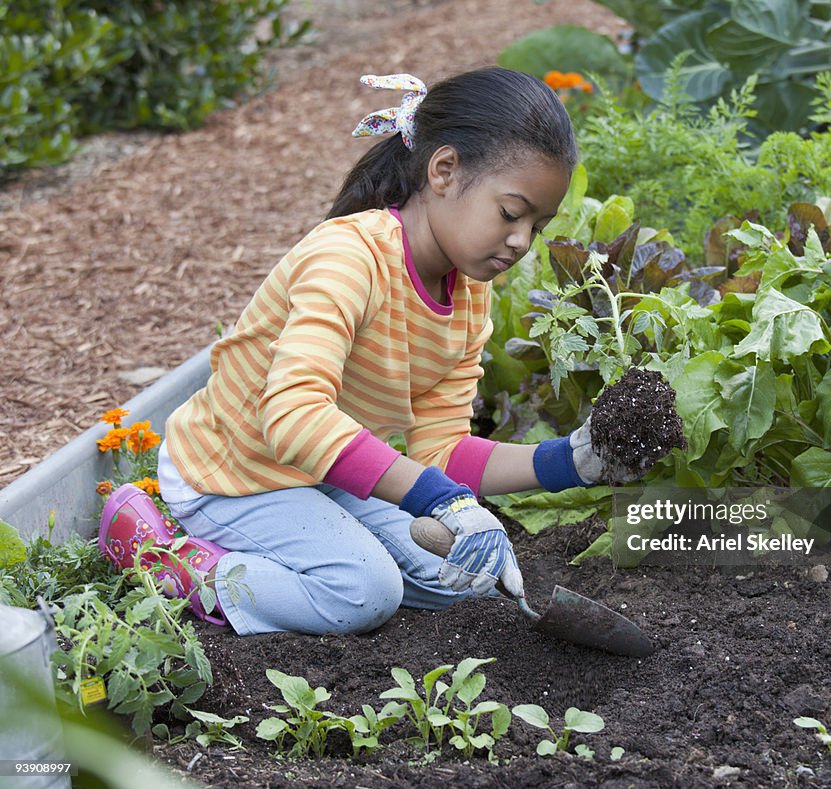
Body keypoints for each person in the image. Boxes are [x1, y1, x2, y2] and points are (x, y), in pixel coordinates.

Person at [98, 67, 632, 636]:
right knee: (364, 592)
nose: (522, 240)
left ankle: (290, 554)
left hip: (321, 470)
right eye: (510, 213)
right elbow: (295, 417)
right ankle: (174, 564)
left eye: (538, 226)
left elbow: (442, 452)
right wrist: (441, 502)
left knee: (462, 577)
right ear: (445, 170)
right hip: (233, 470)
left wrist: (568, 462)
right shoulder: (348, 258)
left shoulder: (471, 295)